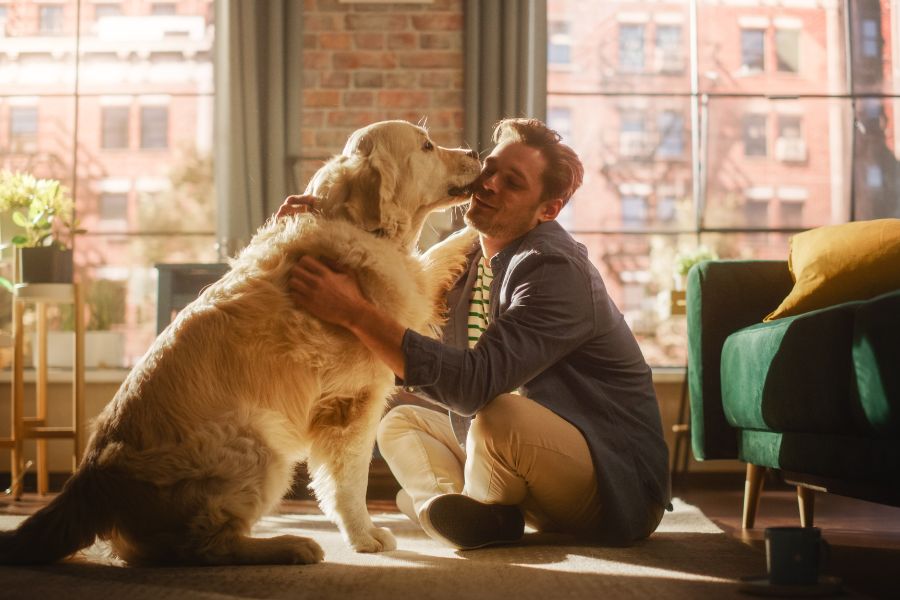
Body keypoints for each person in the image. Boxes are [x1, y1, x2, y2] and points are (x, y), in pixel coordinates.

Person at [281, 118, 671, 550]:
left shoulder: (554, 269)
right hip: (527, 466)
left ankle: (455, 508)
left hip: (610, 487)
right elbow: (388, 332)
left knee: (498, 414)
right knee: (401, 422)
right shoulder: (465, 258)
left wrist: (353, 311)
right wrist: (319, 221)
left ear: (549, 210)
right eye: (491, 168)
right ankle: (453, 510)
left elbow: (472, 386)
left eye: (513, 182)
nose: (488, 184)